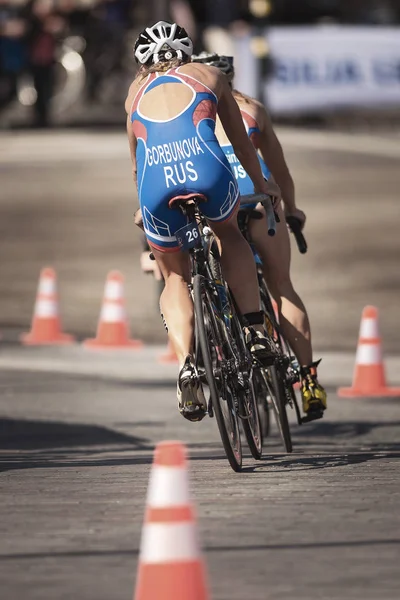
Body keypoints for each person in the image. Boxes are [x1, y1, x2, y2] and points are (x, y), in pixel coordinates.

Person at [125, 21, 280, 422]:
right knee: (230, 234)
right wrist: (262, 184)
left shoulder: (133, 94)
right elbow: (240, 142)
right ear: (186, 53)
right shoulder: (209, 75)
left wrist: (145, 208)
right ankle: (255, 330)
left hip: (157, 182)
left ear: (143, 63)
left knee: (174, 276)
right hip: (207, 171)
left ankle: (187, 362)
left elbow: (137, 163)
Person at [191, 52, 327, 421]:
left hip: (219, 206)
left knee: (212, 276)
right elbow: (279, 168)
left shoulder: (190, 109)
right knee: (282, 285)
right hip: (261, 201)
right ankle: (308, 379)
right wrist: (293, 209)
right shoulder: (253, 109)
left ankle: (226, 342)